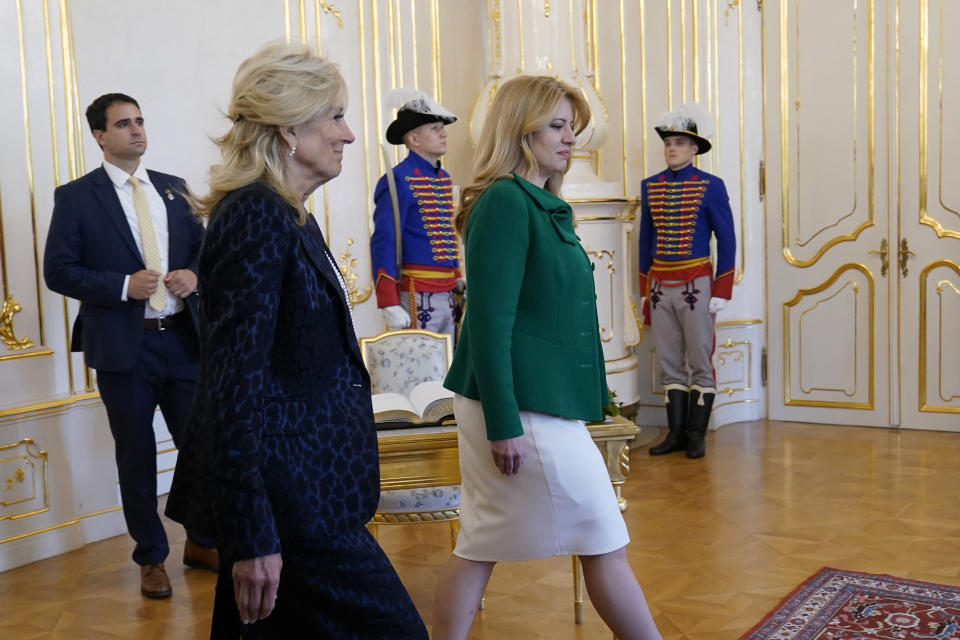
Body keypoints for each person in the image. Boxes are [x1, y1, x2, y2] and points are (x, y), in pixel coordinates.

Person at [163, 42, 427, 639]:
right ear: (288, 127)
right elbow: (233, 388)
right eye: (335, 116)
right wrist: (254, 535)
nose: (350, 134)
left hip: (306, 490)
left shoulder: (288, 214)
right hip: (291, 503)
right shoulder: (255, 216)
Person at [433, 75, 663, 640]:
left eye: (572, 128)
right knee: (603, 535)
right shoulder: (507, 201)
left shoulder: (541, 203)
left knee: (483, 539)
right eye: (557, 126)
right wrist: (504, 423)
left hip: (538, 401)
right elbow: (489, 323)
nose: (570, 140)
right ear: (521, 129)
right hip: (517, 406)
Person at [43, 93, 216, 600]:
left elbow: (206, 252)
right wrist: (123, 286)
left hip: (184, 342)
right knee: (137, 457)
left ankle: (203, 543)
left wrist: (193, 274)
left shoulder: (173, 189)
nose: (137, 131)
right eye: (123, 124)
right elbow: (59, 271)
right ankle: (152, 558)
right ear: (100, 135)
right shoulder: (76, 197)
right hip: (124, 348)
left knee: (201, 450)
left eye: (140, 121)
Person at [639, 102, 736, 459]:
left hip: (698, 283)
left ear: (695, 149)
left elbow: (726, 238)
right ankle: (676, 433)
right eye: (669, 143)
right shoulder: (650, 186)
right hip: (661, 286)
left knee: (699, 359)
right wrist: (644, 291)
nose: (672, 148)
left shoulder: (711, 186)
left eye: (680, 143)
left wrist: (723, 289)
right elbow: (645, 241)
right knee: (668, 361)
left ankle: (697, 434)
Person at [370, 88, 462, 336]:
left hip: (447, 291)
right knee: (421, 368)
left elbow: (445, 231)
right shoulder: (397, 180)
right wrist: (388, 300)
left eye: (442, 127)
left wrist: (456, 274)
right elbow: (384, 241)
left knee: (448, 365)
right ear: (414, 139)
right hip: (415, 292)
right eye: (435, 128)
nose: (443, 133)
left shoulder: (443, 178)